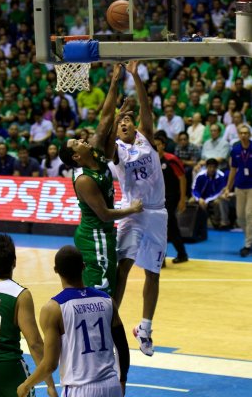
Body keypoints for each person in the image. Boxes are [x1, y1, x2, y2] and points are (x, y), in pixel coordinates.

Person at [59, 64, 143, 297]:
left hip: (103, 233)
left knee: (110, 283)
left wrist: (115, 80)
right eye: (77, 143)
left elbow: (105, 119)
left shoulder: (94, 153)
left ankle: (107, 326)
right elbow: (105, 214)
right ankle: (102, 328)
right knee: (101, 291)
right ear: (76, 156)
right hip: (94, 235)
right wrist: (132, 209)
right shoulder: (84, 179)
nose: (82, 140)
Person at [17, 245, 130, 397]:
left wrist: (26, 385)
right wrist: (121, 381)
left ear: (56, 270)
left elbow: (50, 364)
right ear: (83, 267)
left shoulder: (53, 309)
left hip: (80, 389)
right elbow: (122, 348)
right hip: (111, 386)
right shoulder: (107, 300)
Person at [111, 61, 168, 357]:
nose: (125, 123)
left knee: (154, 273)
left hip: (158, 212)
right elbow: (109, 125)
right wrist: (116, 107)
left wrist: (135, 77)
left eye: (128, 120)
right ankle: (109, 320)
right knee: (123, 267)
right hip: (132, 212)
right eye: (120, 122)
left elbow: (146, 108)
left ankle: (144, 327)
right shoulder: (115, 151)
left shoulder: (146, 137)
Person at [0, 234, 57, 397]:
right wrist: (50, 384)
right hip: (8, 369)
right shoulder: (20, 295)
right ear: (14, 262)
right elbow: (35, 344)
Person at [154, 131, 188, 264]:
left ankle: (161, 259)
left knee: (164, 226)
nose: (156, 147)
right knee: (170, 227)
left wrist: (182, 199)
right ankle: (181, 253)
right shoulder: (151, 160)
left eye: (158, 144)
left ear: (163, 145)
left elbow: (182, 178)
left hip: (172, 197)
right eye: (154, 145)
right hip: (158, 198)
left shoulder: (172, 160)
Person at [224, 125, 252, 257]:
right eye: (241, 133)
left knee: (249, 214)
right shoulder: (235, 150)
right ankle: (250, 239)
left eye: (246, 133)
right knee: (240, 217)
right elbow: (233, 170)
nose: (244, 135)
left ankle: (247, 244)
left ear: (249, 135)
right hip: (239, 186)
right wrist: (227, 188)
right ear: (239, 135)